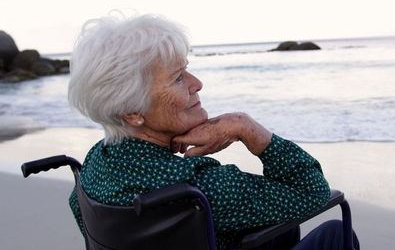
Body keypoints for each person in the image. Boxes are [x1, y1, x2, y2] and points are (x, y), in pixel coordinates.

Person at [68, 13, 359, 250]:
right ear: (132, 113)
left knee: (277, 226)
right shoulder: (196, 189)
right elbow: (312, 192)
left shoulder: (96, 162)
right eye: (178, 77)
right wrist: (245, 127)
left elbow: (76, 204)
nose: (197, 83)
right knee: (335, 232)